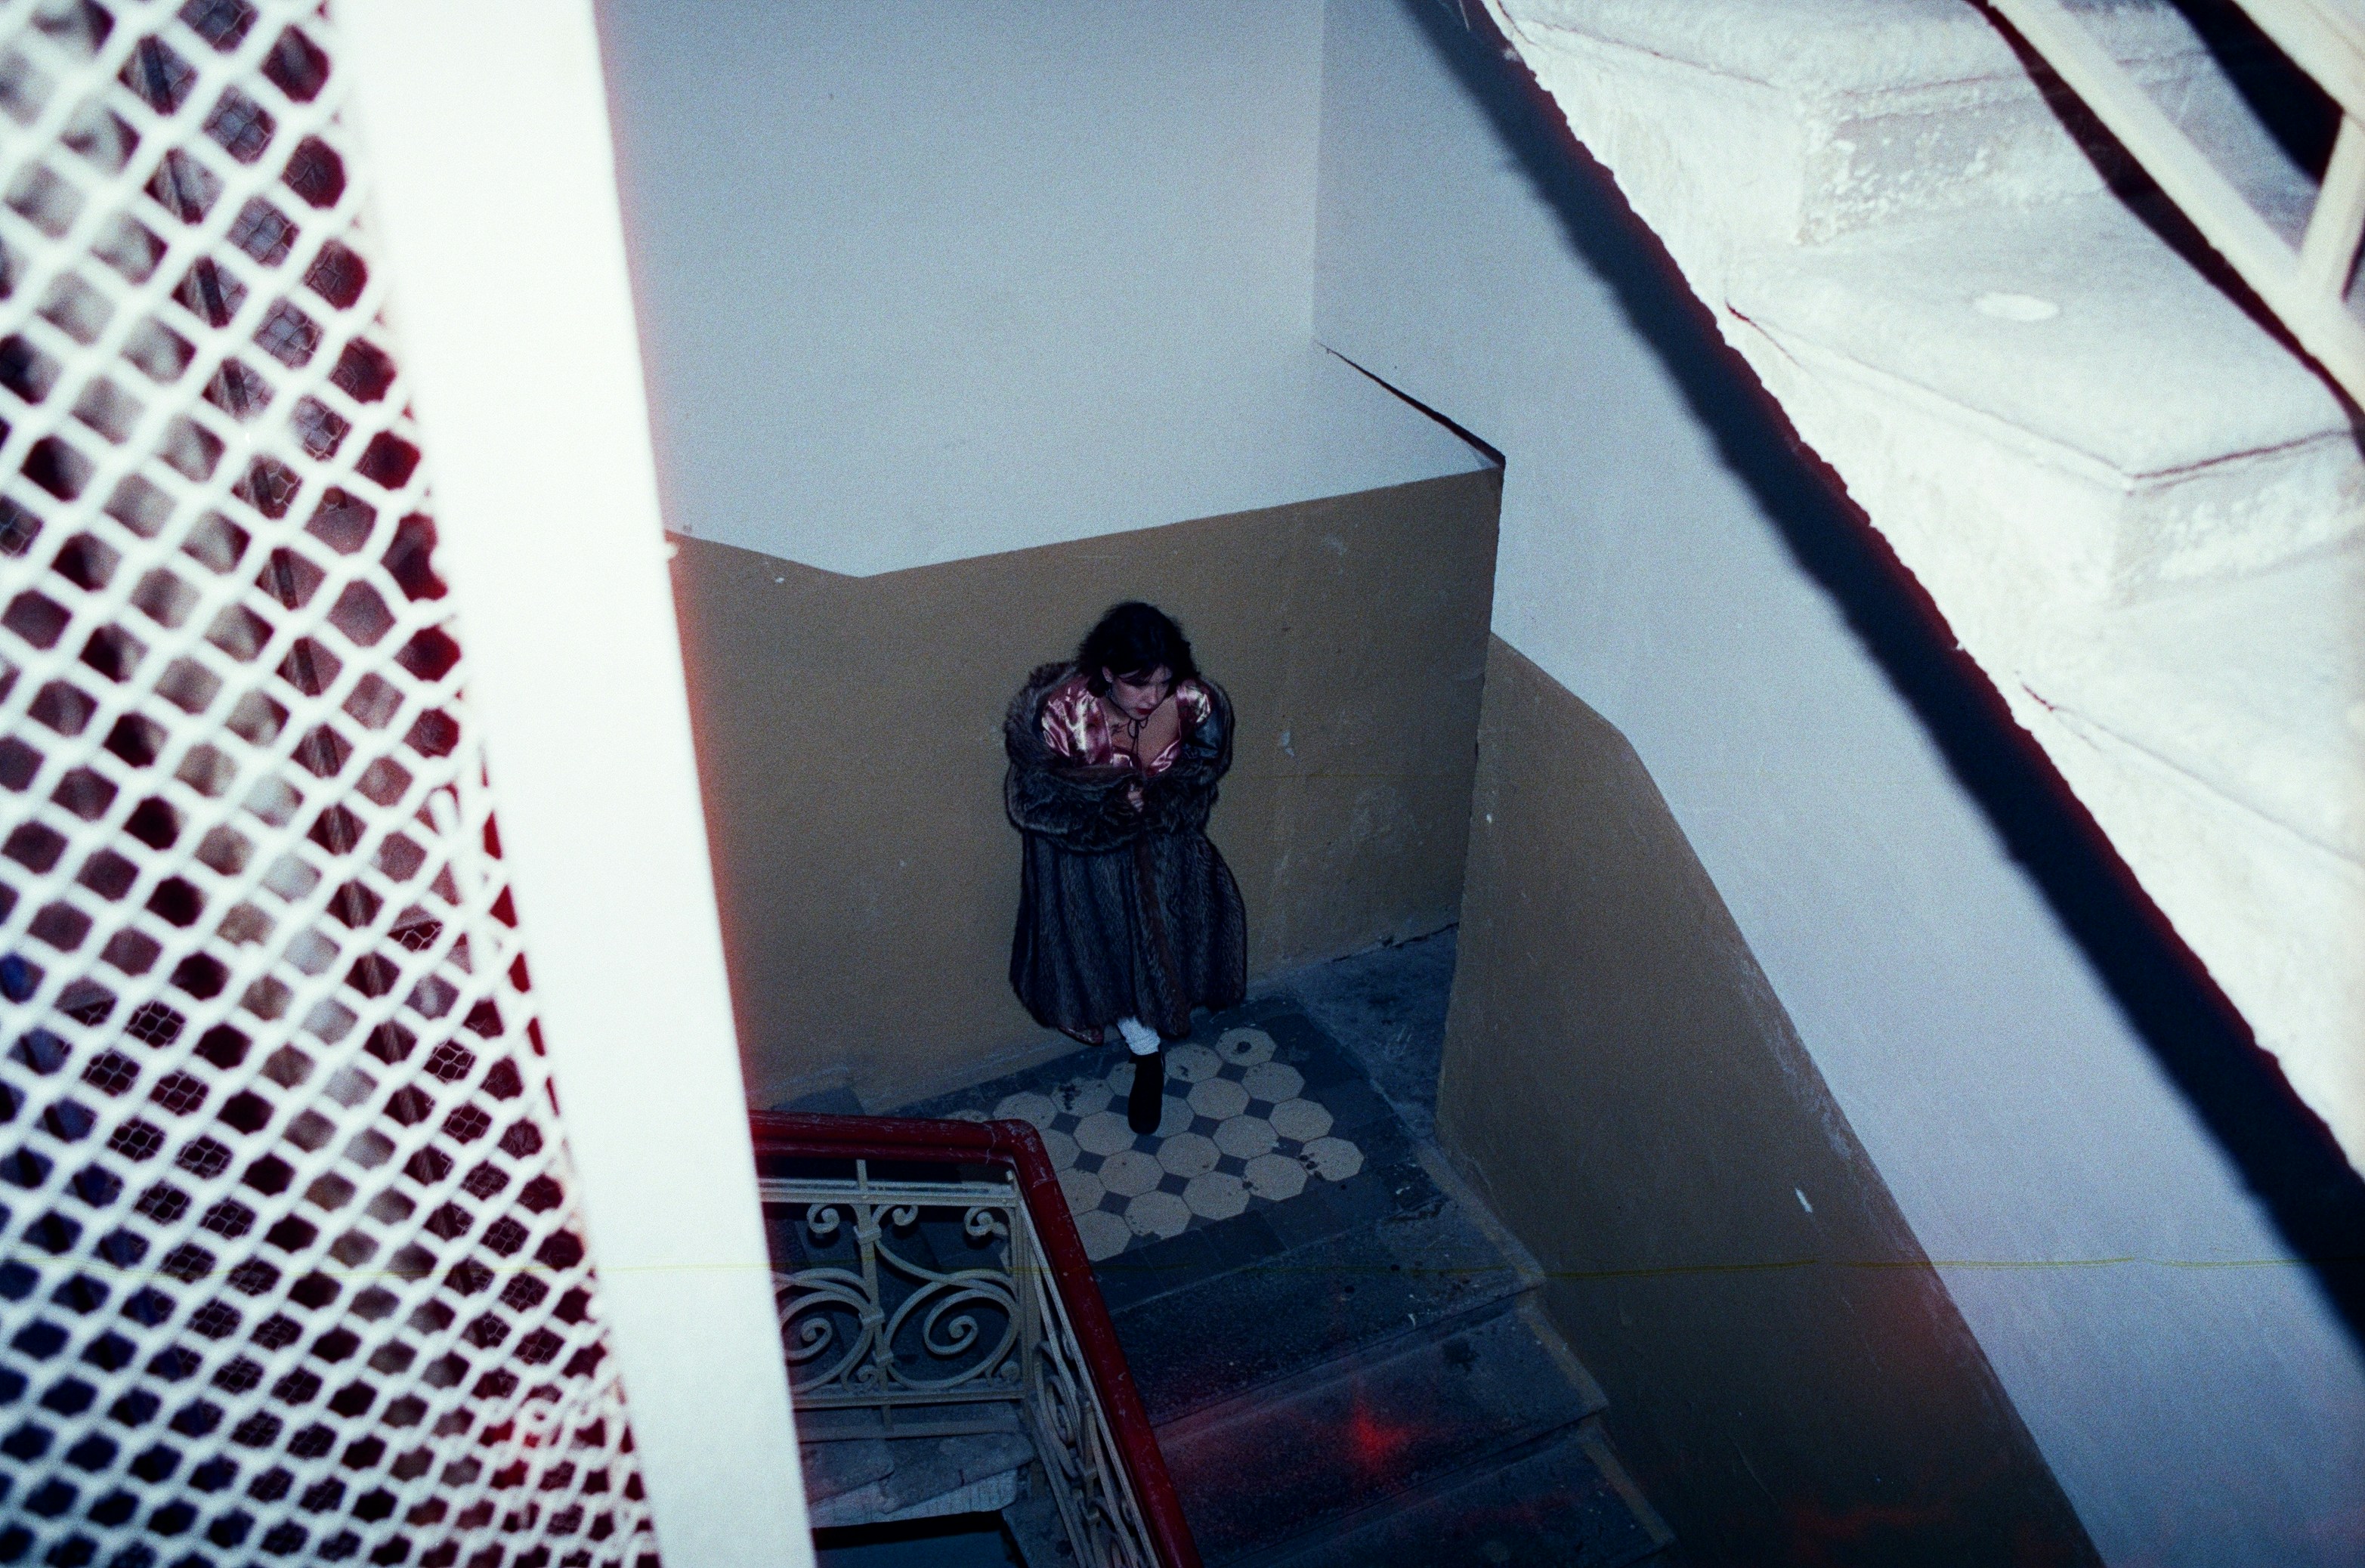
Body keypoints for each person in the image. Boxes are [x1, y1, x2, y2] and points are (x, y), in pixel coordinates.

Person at [1005, 602, 1247, 1133]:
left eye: (1162, 682)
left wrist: (1160, 805)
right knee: (1110, 961)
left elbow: (1197, 782)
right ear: (1107, 672)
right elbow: (1032, 804)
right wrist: (1111, 810)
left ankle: (1149, 1047)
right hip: (1086, 870)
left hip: (1165, 859)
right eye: (1139, 684)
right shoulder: (1063, 713)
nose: (1152, 697)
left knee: (1167, 954)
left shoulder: (1195, 704)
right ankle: (1146, 1059)